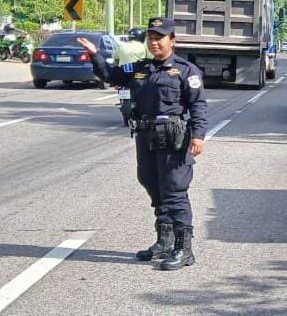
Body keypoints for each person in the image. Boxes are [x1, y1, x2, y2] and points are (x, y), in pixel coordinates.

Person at [79, 17, 208, 270]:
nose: (154, 42)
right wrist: (95, 55)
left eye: (159, 38)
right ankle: (164, 240)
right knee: (152, 184)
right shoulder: (139, 68)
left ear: (172, 41)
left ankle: (184, 249)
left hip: (173, 138)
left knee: (174, 191)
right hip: (146, 136)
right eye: (151, 38)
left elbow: (198, 105)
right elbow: (111, 75)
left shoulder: (186, 71)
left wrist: (198, 135)